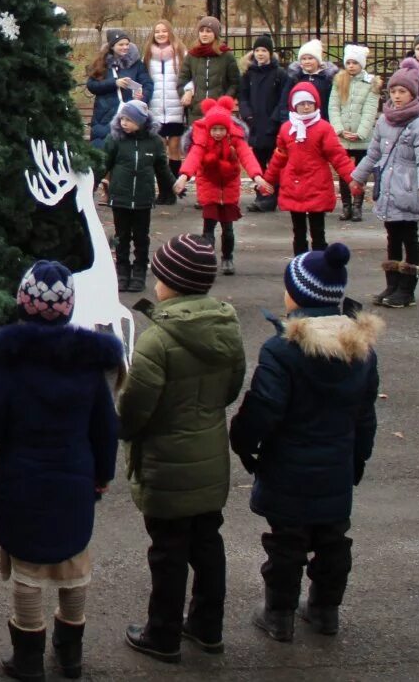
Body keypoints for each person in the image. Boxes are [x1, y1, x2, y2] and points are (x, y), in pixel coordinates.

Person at [0, 261, 123, 681]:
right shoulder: (89, 366)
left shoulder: (9, 365)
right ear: (69, 309)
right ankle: (70, 654)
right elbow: (106, 428)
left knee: (28, 568)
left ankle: (28, 657)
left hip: (22, 484)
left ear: (22, 304)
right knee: (74, 562)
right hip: (75, 480)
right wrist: (102, 475)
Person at [230, 243, 382, 642]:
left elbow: (264, 406)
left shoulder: (283, 350)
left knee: (286, 543)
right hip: (336, 466)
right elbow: (366, 414)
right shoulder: (362, 352)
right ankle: (325, 610)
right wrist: (358, 458)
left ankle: (278, 614)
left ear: (297, 296)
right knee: (333, 539)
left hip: (287, 467)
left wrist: (243, 441)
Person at [115, 234, 246, 663]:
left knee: (168, 551)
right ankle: (208, 626)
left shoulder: (157, 341)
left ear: (172, 282)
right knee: (207, 542)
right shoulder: (227, 328)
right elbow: (230, 389)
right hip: (210, 460)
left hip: (166, 465)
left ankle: (163, 632)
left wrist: (126, 431)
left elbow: (135, 408)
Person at [351, 60, 419, 308]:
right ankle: (392, 283)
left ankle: (407, 288)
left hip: (408, 189)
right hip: (388, 188)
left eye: (403, 92)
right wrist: (358, 176)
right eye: (393, 92)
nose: (397, 97)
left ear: (413, 94)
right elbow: (373, 154)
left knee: (409, 236)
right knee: (392, 236)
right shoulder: (384, 121)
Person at [174, 98, 269, 275]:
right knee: (208, 228)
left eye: (221, 129)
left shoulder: (236, 140)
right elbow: (194, 157)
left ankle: (227, 257)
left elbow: (247, 157)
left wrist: (257, 176)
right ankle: (207, 260)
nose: (218, 133)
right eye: (214, 129)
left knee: (228, 228)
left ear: (228, 129)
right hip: (209, 185)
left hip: (229, 186)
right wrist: (184, 177)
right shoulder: (202, 140)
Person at [262, 82, 358, 256]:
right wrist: (268, 180)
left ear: (316, 104)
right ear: (294, 106)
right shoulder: (286, 129)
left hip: (317, 184)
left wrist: (352, 178)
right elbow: (279, 157)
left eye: (309, 103)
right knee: (298, 233)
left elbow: (338, 156)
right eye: (301, 104)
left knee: (318, 231)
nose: (306, 107)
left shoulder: (323, 128)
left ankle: (320, 264)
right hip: (293, 185)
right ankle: (300, 264)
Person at [99, 99, 176, 294]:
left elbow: (161, 167)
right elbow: (103, 163)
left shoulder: (154, 142)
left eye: (129, 119)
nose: (124, 123)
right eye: (122, 118)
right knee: (121, 236)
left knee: (141, 237)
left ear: (142, 122)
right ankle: (122, 270)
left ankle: (140, 270)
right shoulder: (115, 139)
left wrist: (173, 185)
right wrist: (91, 182)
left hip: (143, 198)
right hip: (120, 197)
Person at [238, 37, 290, 213]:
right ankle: (262, 195)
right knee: (258, 163)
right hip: (255, 125)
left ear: (270, 53)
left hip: (273, 126)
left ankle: (271, 196)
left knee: (274, 164)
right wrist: (247, 114)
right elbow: (243, 96)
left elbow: (284, 99)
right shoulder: (249, 74)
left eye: (264, 51)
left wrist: (276, 119)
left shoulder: (279, 74)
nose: (260, 54)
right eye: (257, 51)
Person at [328, 46, 379, 221]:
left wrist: (361, 133)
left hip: (361, 137)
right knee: (343, 172)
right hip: (343, 138)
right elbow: (333, 107)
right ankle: (346, 206)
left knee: (360, 173)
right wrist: (339, 130)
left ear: (362, 64)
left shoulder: (370, 83)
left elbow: (370, 110)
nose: (351, 66)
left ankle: (358, 205)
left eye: (355, 62)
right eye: (348, 62)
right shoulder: (339, 81)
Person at [142, 19, 187, 187]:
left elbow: (187, 77)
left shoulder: (181, 52)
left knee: (174, 148)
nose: (161, 34)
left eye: (164, 31)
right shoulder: (147, 55)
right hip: (155, 109)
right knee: (159, 150)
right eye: (157, 31)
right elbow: (143, 79)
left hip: (176, 107)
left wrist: (188, 92)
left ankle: (174, 185)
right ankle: (163, 186)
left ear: (170, 32)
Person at [85, 31, 147, 148]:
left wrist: (141, 97)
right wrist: (114, 83)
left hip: (129, 115)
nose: (125, 47)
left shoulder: (137, 64)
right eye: (121, 44)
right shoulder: (101, 63)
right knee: (103, 149)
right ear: (112, 46)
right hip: (104, 116)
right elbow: (91, 85)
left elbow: (147, 84)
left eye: (127, 44)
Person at [181, 17, 241, 135]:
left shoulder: (226, 56)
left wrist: (224, 101)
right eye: (202, 31)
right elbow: (182, 79)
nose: (204, 34)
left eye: (208, 31)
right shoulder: (192, 55)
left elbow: (235, 83)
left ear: (216, 33)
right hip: (196, 112)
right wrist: (190, 97)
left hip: (219, 113)